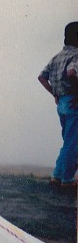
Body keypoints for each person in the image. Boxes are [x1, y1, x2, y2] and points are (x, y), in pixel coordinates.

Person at [38, 21, 78, 192]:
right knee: (72, 142)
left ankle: (57, 176)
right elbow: (72, 73)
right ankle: (67, 180)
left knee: (68, 140)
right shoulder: (76, 55)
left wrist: (54, 93)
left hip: (61, 103)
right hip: (73, 102)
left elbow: (42, 77)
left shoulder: (57, 57)